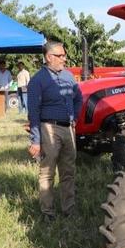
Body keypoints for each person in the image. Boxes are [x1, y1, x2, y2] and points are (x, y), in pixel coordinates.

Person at [27, 41, 82, 219]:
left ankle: (69, 210)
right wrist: (35, 141)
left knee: (68, 172)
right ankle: (48, 213)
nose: (64, 59)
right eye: (61, 56)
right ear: (49, 57)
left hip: (68, 129)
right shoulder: (38, 80)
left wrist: (74, 117)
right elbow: (33, 112)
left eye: (64, 55)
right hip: (48, 128)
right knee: (47, 173)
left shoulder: (69, 76)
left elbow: (78, 99)